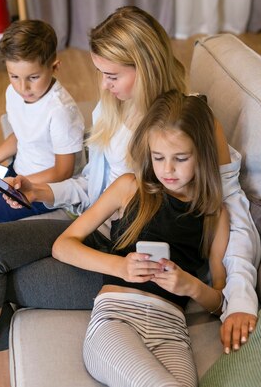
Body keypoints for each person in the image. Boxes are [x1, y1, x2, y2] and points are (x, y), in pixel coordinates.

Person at [0, 6, 260, 387]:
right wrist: (39, 190)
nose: (103, 85)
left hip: (129, 265)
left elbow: (230, 209)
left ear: (144, 65)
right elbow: (92, 189)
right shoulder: (113, 111)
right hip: (91, 229)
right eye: (101, 73)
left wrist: (239, 300)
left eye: (112, 75)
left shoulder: (185, 126)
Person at [53, 90, 244, 386]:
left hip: (171, 331)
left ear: (202, 155)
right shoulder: (129, 189)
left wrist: (190, 285)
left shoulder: (214, 216)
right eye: (158, 157)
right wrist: (120, 267)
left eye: (180, 158)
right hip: (116, 319)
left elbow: (220, 301)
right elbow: (63, 246)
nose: (167, 169)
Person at [0, 19, 85, 233]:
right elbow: (21, 134)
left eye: (33, 77)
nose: (23, 87)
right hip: (17, 173)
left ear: (54, 67)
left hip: (44, 188)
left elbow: (63, 171)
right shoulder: (13, 93)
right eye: (14, 76)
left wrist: (19, 183)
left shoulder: (60, 112)